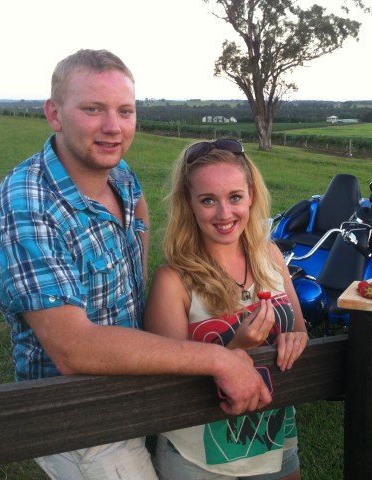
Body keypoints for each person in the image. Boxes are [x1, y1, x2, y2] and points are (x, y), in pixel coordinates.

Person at [0, 49, 271, 480]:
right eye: (93, 109)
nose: (113, 127)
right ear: (55, 114)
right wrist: (219, 359)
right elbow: (72, 348)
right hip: (83, 419)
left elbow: (137, 213)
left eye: (125, 111)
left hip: (137, 385)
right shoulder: (26, 206)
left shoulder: (119, 176)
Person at [144, 140, 309, 480]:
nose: (224, 214)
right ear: (189, 204)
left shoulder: (271, 257)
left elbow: (300, 329)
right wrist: (236, 348)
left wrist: (297, 338)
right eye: (208, 200)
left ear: (251, 195)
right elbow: (165, 389)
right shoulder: (173, 281)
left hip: (274, 437)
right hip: (199, 458)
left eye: (235, 197)